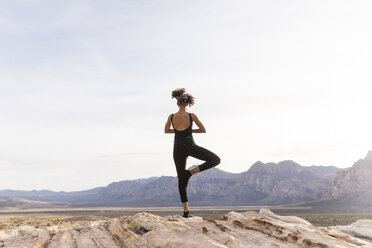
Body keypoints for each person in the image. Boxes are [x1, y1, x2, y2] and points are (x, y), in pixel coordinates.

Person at [164, 88, 221, 218]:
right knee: (215, 160)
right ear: (188, 103)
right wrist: (190, 131)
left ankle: (186, 212)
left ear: (177, 103)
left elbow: (166, 131)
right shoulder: (191, 116)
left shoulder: (171, 117)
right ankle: (190, 173)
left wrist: (178, 132)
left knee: (181, 179)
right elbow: (203, 130)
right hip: (190, 145)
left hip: (177, 148)